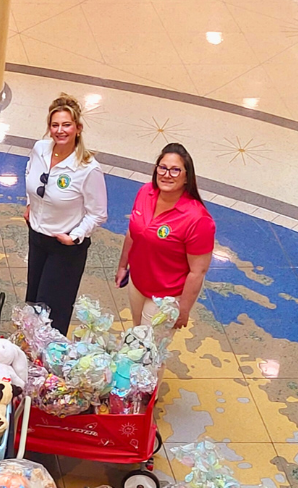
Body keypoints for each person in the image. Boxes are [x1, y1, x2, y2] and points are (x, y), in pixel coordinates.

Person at [23, 94, 108, 334]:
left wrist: (75, 235)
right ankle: (30, 356)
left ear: (78, 129)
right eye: (55, 125)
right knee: (33, 303)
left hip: (65, 246)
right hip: (37, 237)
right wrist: (31, 204)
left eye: (66, 125)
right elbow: (30, 172)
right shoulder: (40, 149)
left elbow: (98, 213)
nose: (60, 131)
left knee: (51, 312)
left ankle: (49, 362)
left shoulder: (88, 168)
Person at [116, 143, 215, 329]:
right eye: (162, 168)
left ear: (187, 177)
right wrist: (123, 266)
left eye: (175, 170)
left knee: (147, 351)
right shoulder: (145, 192)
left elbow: (197, 271)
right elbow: (133, 232)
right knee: (137, 339)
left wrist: (183, 309)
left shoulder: (197, 218)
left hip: (167, 296)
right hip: (138, 283)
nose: (167, 174)